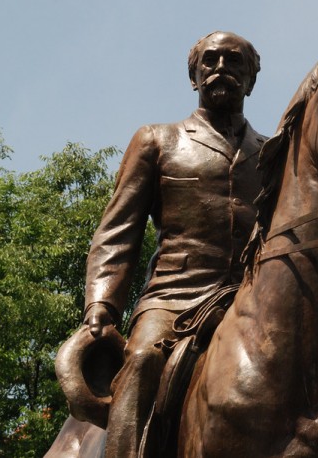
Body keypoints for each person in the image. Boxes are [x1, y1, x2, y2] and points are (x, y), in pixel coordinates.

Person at [82, 31, 266, 457]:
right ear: (194, 76)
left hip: (253, 300)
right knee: (144, 361)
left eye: (235, 62)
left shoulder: (273, 153)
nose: (222, 69)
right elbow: (117, 233)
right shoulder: (156, 140)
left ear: (252, 80)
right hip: (175, 299)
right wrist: (100, 308)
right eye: (211, 61)